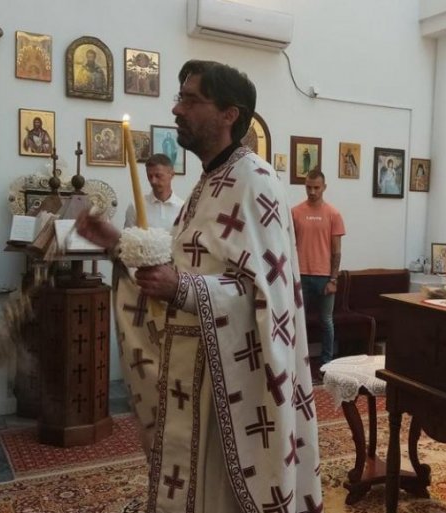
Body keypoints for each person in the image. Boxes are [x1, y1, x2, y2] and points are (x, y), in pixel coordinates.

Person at [76, 59, 321, 513]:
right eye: (179, 98)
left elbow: (267, 297)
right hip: (194, 367)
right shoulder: (208, 182)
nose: (177, 109)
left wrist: (184, 289)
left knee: (221, 492)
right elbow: (179, 259)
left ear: (229, 114)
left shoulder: (255, 182)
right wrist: (117, 242)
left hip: (232, 376)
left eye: (190, 100)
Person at [291, 168, 345, 364]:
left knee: (326, 321)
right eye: (308, 187)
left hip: (324, 277)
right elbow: (289, 245)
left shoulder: (333, 214)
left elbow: (336, 251)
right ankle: (298, 363)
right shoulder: (295, 213)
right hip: (300, 275)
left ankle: (326, 363)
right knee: (298, 321)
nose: (312, 192)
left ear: (324, 187)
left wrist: (333, 279)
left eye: (316, 188)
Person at [124, 153, 184, 232]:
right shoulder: (135, 206)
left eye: (158, 176)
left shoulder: (183, 208)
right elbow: (127, 238)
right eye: (150, 176)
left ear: (172, 175)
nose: (153, 181)